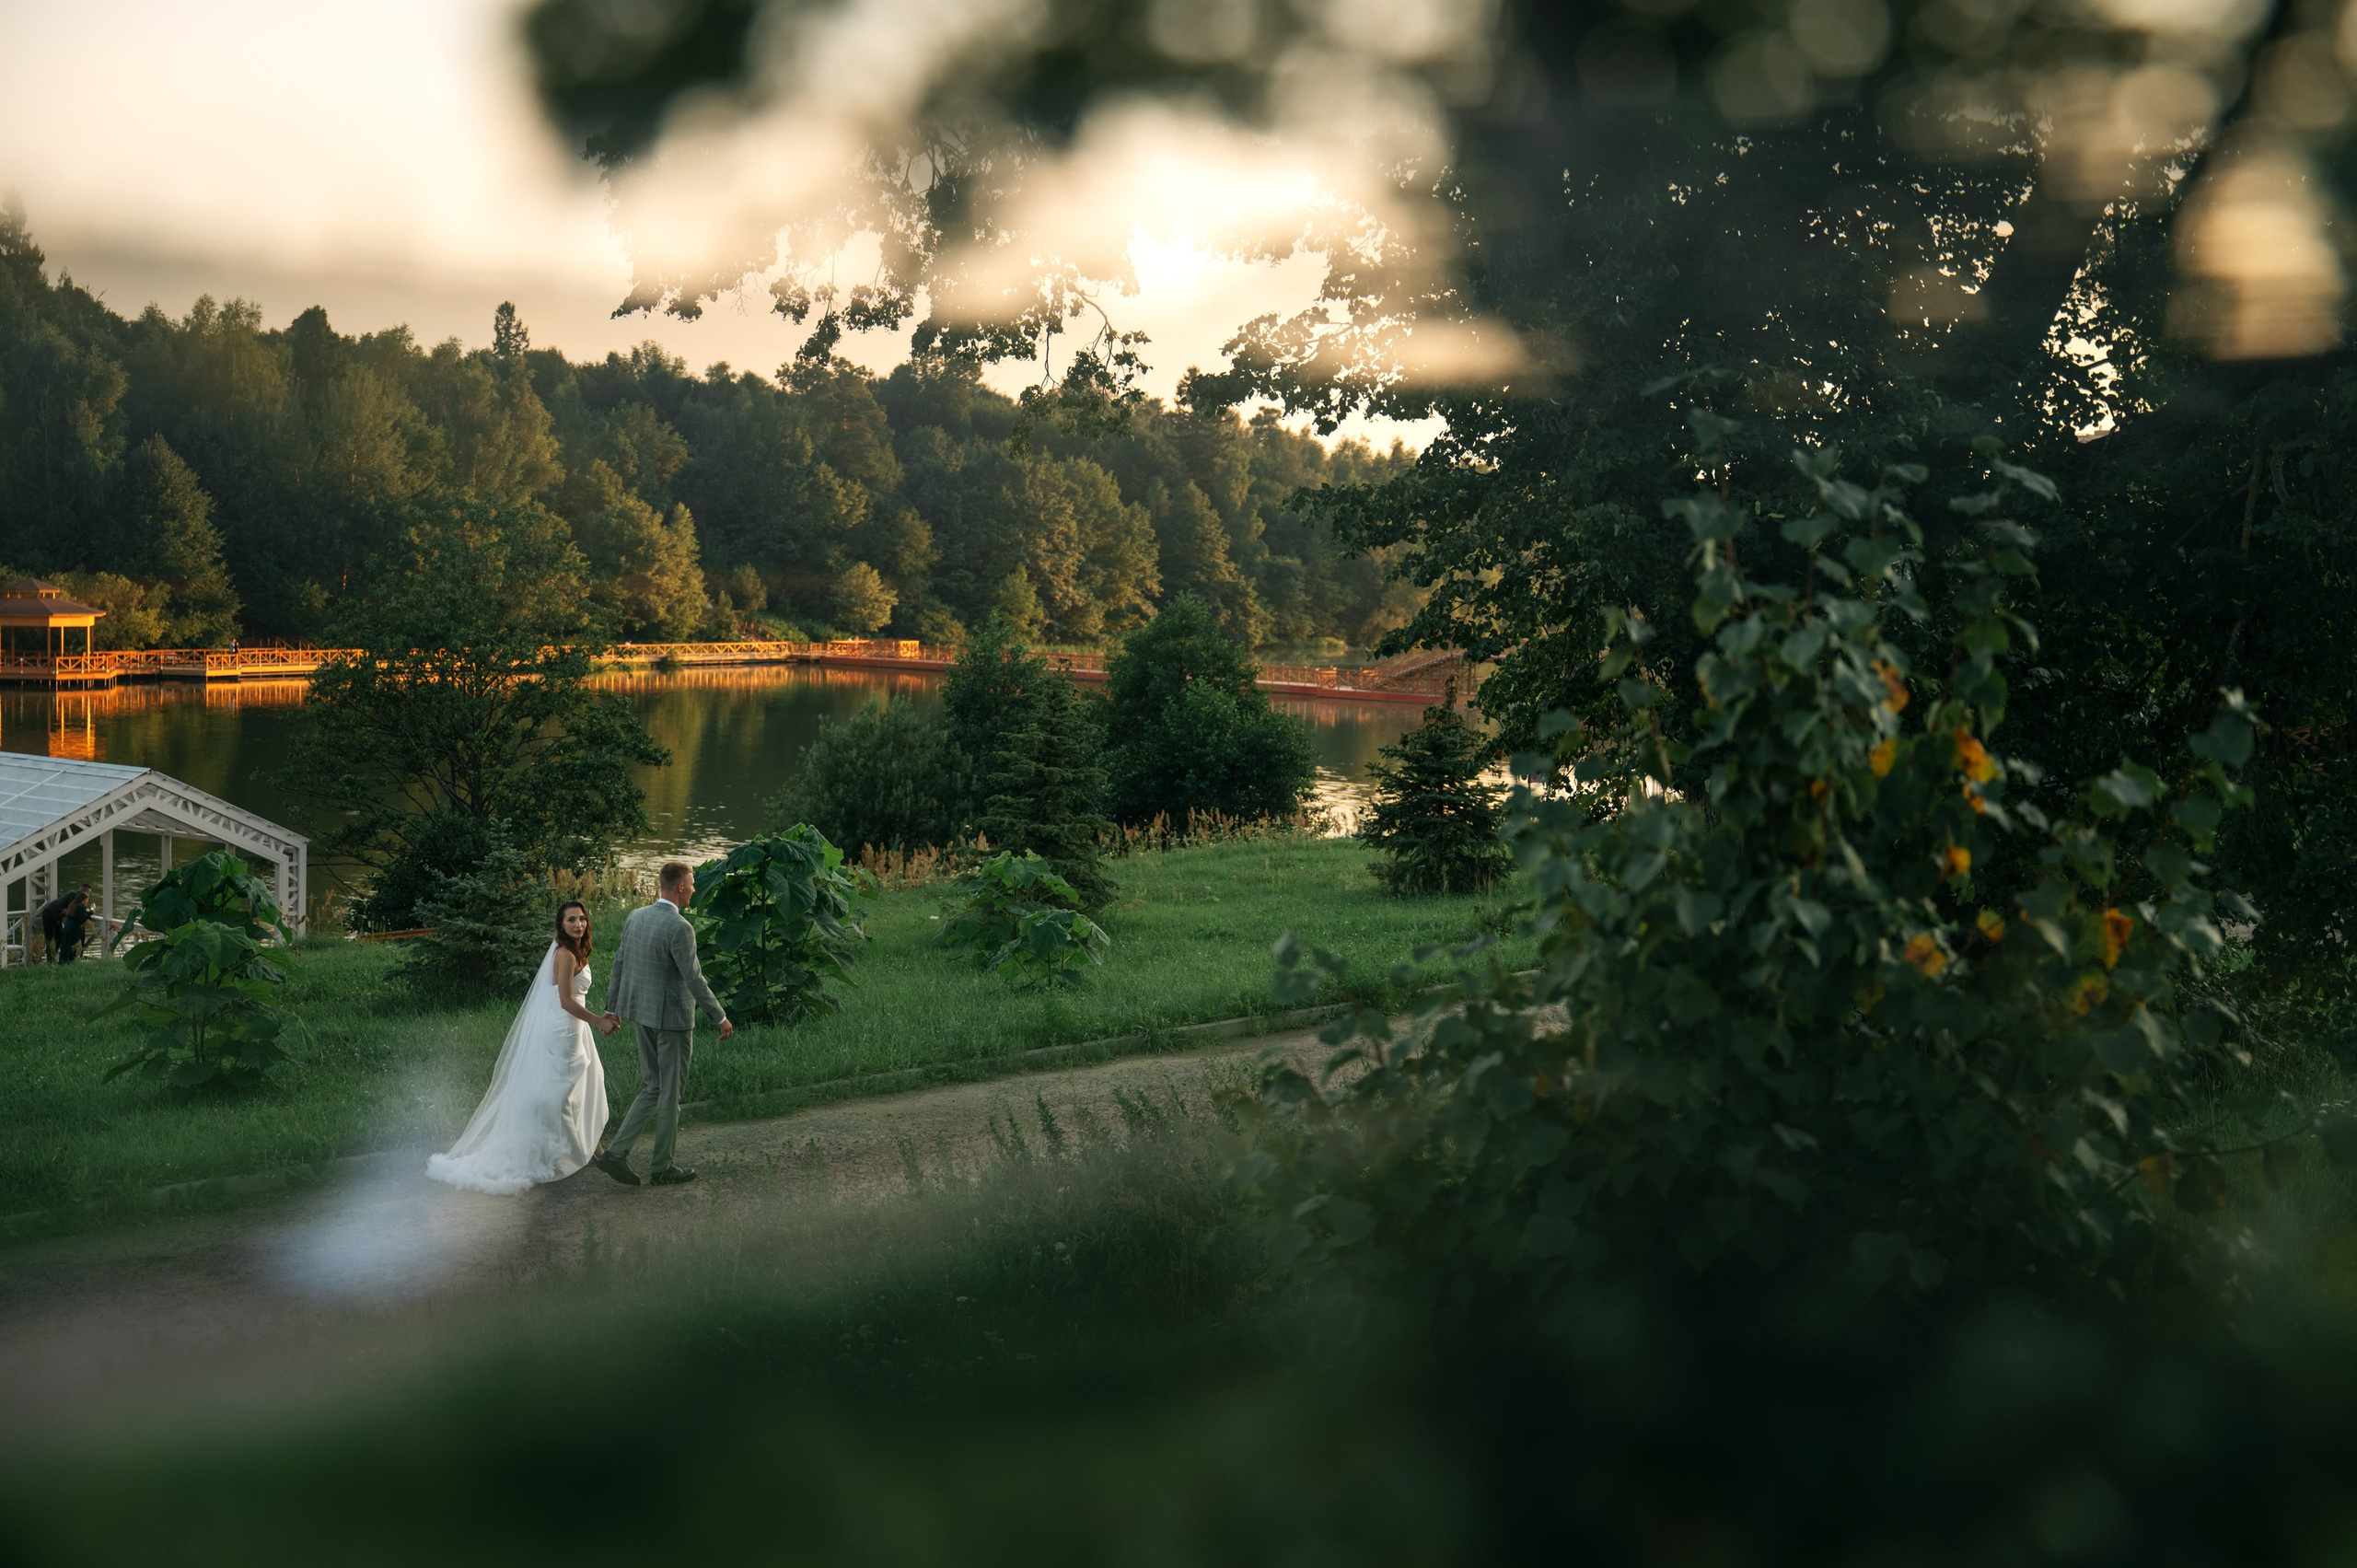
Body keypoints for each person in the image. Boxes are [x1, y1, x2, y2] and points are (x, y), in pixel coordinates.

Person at [425, 901, 621, 1195]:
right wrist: (598, 1022)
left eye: (582, 919)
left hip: (573, 1025)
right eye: (571, 920)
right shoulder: (566, 954)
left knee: (578, 1087)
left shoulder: (577, 950)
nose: (578, 924)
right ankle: (571, 1152)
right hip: (565, 1028)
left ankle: (593, 1149)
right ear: (561, 925)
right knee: (564, 1093)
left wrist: (598, 1019)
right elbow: (566, 1001)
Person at [590, 859, 730, 1188]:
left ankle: (615, 1153)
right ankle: (662, 1167)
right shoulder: (680, 927)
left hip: (643, 1015)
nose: (694, 888)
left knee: (653, 1086)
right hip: (673, 1022)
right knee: (669, 1094)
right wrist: (719, 1016)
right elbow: (693, 979)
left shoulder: (636, 916)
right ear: (680, 887)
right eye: (692, 883)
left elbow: (620, 962)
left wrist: (613, 1007)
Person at [35, 884, 89, 965]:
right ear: (85, 892)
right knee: (50, 937)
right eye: (88, 893)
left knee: (60, 936)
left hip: (57, 917)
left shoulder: (75, 898)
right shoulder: (73, 895)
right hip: (50, 913)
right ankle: (50, 959)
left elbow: (71, 909)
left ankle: (53, 956)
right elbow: (74, 910)